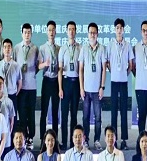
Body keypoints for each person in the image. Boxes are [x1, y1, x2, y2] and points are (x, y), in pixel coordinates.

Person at [80, 22, 107, 150]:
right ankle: (85, 140)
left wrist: (102, 87)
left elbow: (104, 69)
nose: (92, 35)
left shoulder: (102, 49)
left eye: (94, 33)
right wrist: (81, 88)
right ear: (87, 34)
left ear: (97, 34)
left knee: (98, 117)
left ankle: (96, 140)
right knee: (85, 117)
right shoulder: (84, 49)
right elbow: (80, 69)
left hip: (97, 90)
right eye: (90, 33)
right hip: (86, 90)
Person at [108, 19, 132, 150]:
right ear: (114, 29)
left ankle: (124, 140)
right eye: (117, 28)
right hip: (114, 82)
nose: (119, 30)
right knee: (113, 112)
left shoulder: (127, 45)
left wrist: (124, 73)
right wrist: (114, 72)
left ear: (123, 30)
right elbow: (107, 62)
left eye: (121, 28)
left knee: (123, 111)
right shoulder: (110, 45)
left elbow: (131, 65)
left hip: (123, 82)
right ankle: (114, 139)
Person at [58, 20, 81, 150]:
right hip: (65, 83)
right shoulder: (62, 49)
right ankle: (64, 142)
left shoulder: (80, 48)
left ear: (76, 31)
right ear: (66, 31)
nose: (71, 32)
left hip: (76, 83)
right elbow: (60, 70)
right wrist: (60, 88)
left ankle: (73, 143)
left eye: (73, 29)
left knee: (74, 115)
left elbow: (82, 69)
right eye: (69, 29)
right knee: (64, 115)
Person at [38, 21, 61, 144]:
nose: (51, 32)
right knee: (44, 111)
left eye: (53, 30)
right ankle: (43, 138)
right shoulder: (42, 48)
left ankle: (55, 138)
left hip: (56, 81)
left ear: (55, 32)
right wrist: (45, 64)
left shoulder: (59, 48)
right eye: (49, 30)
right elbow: (38, 66)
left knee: (55, 111)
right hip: (46, 80)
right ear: (46, 32)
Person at [16, 24, 40, 142]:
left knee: (31, 114)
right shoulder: (16, 48)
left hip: (31, 87)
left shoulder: (35, 48)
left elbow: (38, 66)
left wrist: (33, 72)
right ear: (22, 34)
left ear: (31, 34)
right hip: (20, 87)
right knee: (22, 114)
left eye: (29, 32)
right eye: (25, 32)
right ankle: (24, 137)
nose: (27, 35)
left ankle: (31, 137)